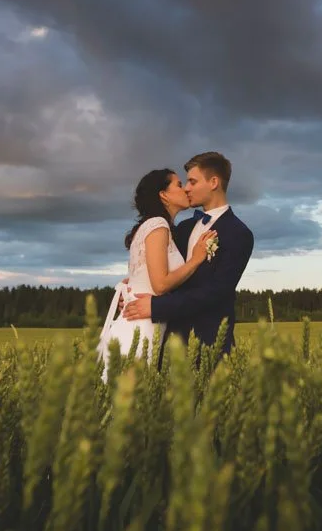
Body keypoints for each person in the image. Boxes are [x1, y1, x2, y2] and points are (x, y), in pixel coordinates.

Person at [122, 151, 253, 355]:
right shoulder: (182, 228)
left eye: (192, 182)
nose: (187, 188)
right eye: (184, 183)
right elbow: (162, 270)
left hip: (209, 345)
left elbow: (216, 292)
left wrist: (156, 307)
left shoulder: (239, 233)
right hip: (169, 345)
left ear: (213, 182)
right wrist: (132, 293)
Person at [95, 167, 217, 371]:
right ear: (163, 195)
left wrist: (129, 288)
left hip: (143, 321)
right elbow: (160, 285)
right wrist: (196, 259)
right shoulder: (158, 225)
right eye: (179, 185)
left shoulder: (155, 227)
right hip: (142, 326)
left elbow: (143, 275)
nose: (186, 189)